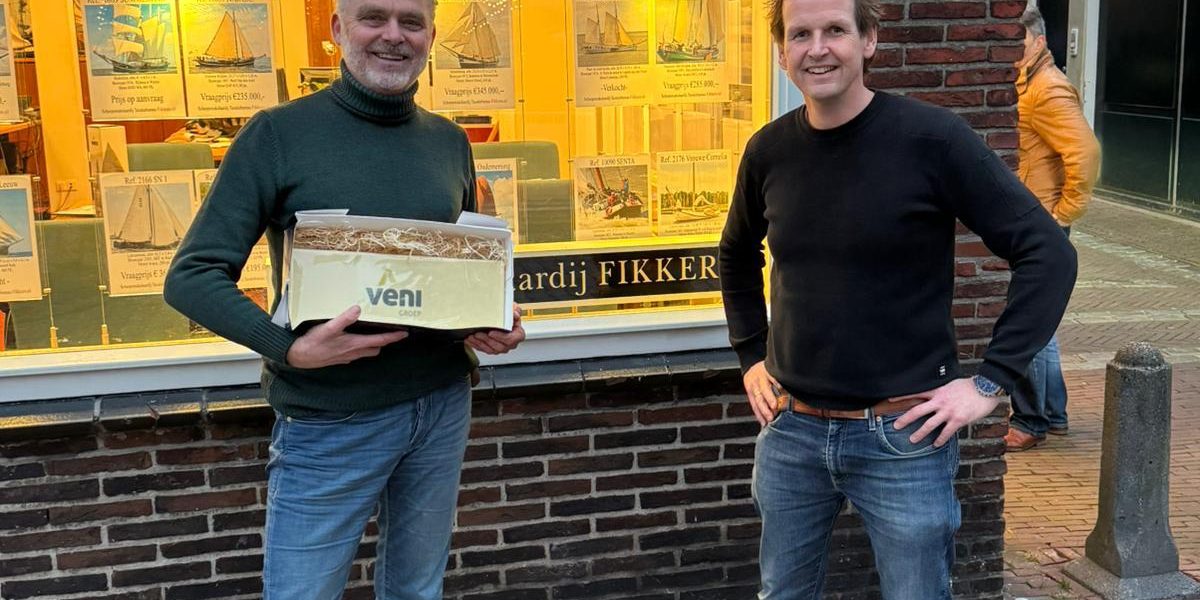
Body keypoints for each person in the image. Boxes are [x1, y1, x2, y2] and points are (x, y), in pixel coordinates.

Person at [163, 0, 525, 597]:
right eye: (373, 18)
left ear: (432, 34)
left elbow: (455, 274)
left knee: (418, 590)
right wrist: (286, 348)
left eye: (411, 22)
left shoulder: (450, 142)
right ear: (337, 29)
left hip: (440, 404)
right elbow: (192, 275)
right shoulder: (276, 135)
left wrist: (489, 319)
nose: (394, 36)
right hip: (332, 416)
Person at [717, 0, 1077, 596]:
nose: (817, 48)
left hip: (903, 436)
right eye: (800, 34)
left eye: (835, 30)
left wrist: (991, 383)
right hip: (792, 432)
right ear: (782, 52)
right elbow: (734, 251)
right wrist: (751, 353)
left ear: (869, 40)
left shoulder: (932, 139)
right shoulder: (768, 150)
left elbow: (1048, 254)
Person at [1004, 3, 1101, 452]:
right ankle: (1054, 413)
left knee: (1024, 318)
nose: (1013, 49)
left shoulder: (1047, 89)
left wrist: (1063, 213)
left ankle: (1030, 420)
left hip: (1039, 222)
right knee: (1041, 320)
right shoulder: (1028, 82)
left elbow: (1085, 154)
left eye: (1020, 41)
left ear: (1039, 41)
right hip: (1033, 218)